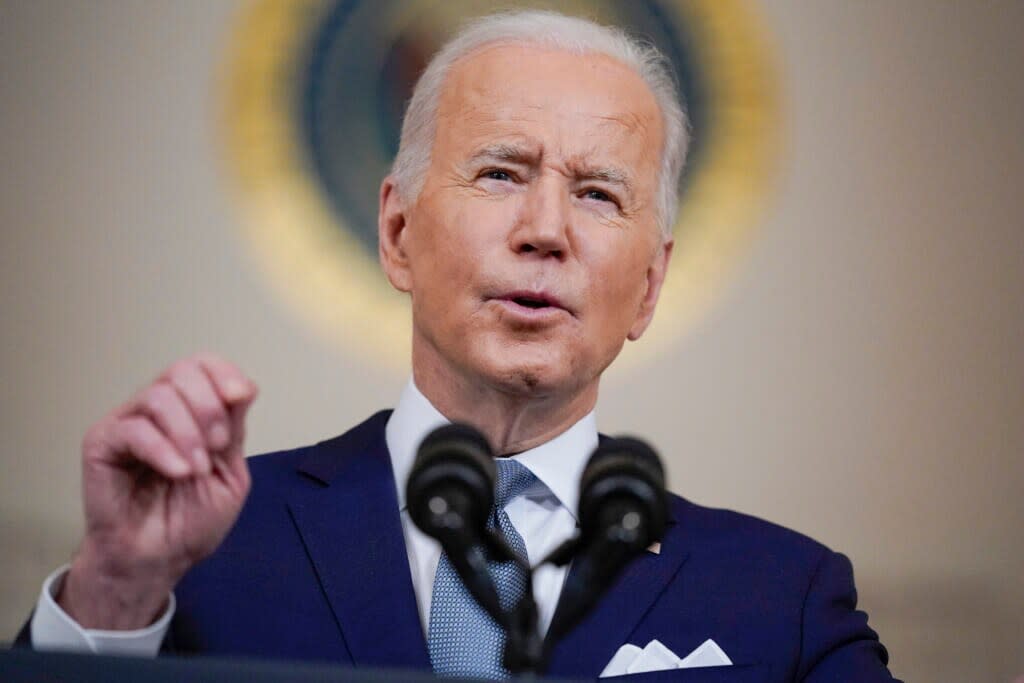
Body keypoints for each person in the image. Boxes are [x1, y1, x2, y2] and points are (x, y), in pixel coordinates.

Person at [18, 10, 898, 681]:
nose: (545, 230)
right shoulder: (203, 550)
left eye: (597, 193)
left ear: (651, 285)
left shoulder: (781, 600)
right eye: (501, 172)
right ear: (399, 232)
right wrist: (115, 592)